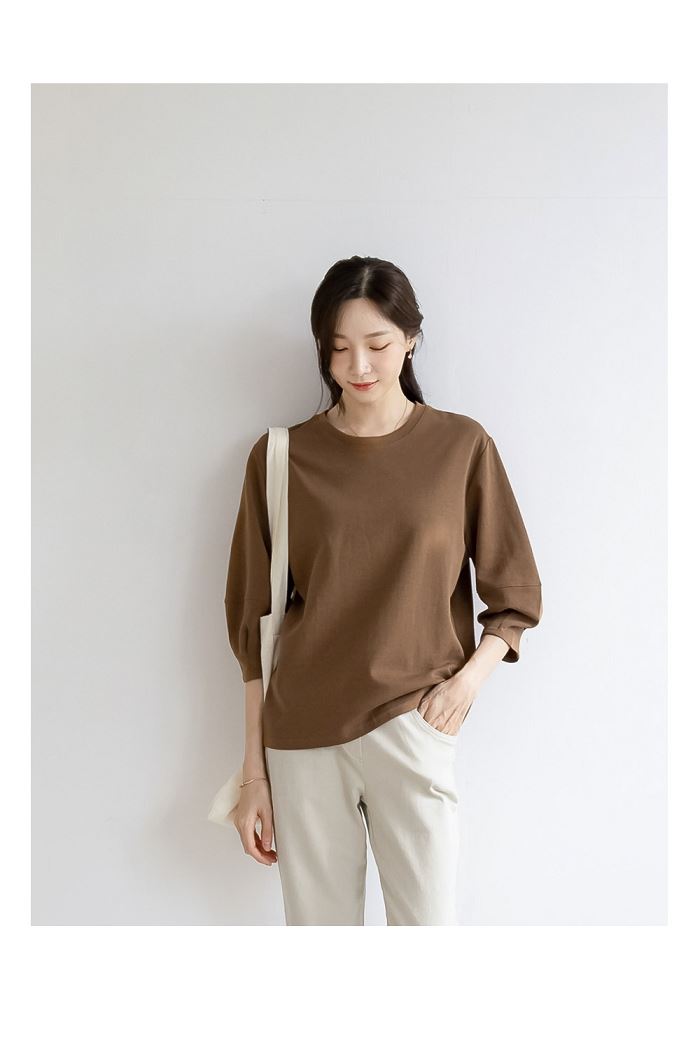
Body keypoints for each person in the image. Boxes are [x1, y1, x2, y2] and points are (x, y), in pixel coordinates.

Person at [224, 255, 543, 925]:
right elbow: (254, 627)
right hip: (303, 735)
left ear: (411, 339)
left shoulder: (460, 446)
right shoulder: (281, 457)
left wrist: (463, 687)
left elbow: (514, 595)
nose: (358, 365)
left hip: (414, 722)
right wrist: (254, 774)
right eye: (339, 348)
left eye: (377, 343)